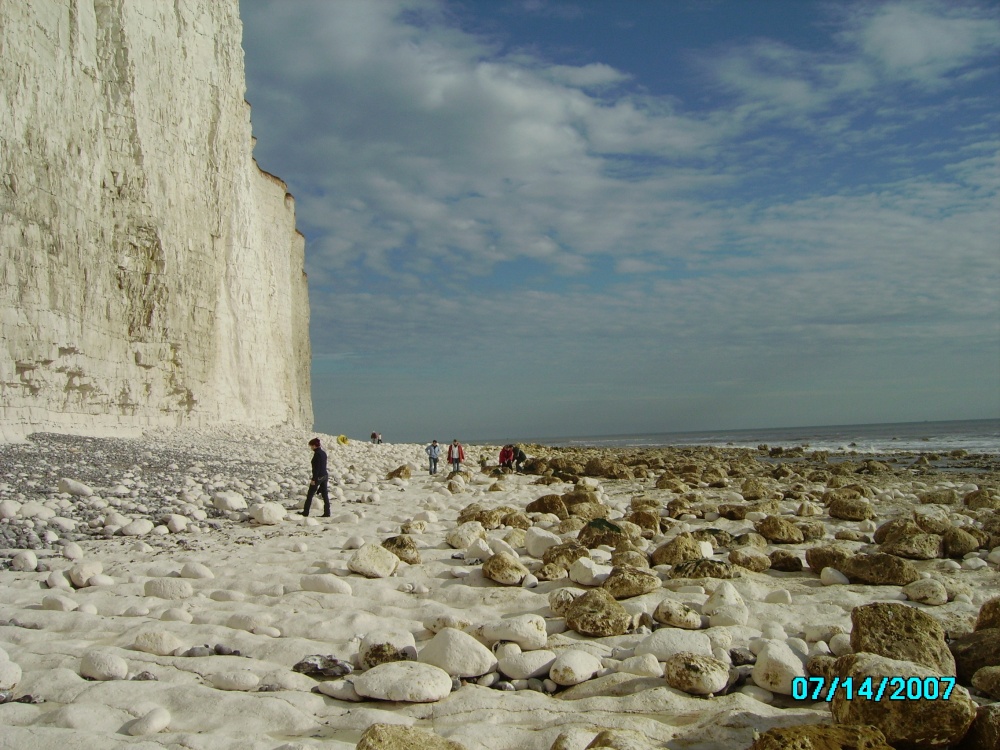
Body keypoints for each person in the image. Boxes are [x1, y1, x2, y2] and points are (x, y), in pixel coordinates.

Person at [301, 437, 331, 517]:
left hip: (318, 477)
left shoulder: (317, 454)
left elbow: (316, 468)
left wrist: (314, 479)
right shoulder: (323, 453)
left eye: (311, 446)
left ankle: (306, 512)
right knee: (325, 495)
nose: (311, 448)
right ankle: (327, 512)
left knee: (310, 494)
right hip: (325, 475)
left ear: (314, 446)